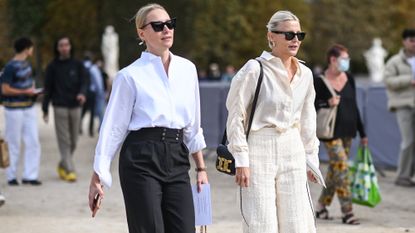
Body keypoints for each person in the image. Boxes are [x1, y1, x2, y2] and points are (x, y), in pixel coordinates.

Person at [88, 3, 208, 233]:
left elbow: (193, 125)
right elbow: (113, 128)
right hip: (140, 158)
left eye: (170, 24)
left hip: (177, 155)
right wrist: (97, 176)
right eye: (158, 25)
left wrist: (201, 169)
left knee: (184, 228)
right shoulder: (128, 76)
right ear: (142, 33)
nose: (167, 30)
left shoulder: (187, 69)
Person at [226, 10, 319, 233]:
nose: (295, 39)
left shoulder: (305, 74)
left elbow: (308, 119)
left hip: (293, 146)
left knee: (297, 222)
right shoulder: (254, 69)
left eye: (299, 35)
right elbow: (236, 115)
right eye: (288, 35)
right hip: (259, 146)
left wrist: (311, 157)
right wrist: (241, 158)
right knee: (261, 222)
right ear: (271, 36)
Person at [314, 44, 368, 225]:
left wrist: (363, 132)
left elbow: (354, 107)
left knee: (335, 171)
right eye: (344, 59)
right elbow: (311, 106)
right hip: (330, 133)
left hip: (349, 131)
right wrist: (327, 103)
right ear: (333, 60)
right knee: (342, 168)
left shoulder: (349, 78)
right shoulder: (319, 81)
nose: (347, 62)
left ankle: (321, 206)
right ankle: (348, 212)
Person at [42, 36, 88, 182]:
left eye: (66, 45)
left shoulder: (78, 65)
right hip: (59, 106)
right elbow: (47, 89)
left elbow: (85, 82)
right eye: (61, 45)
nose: (64, 47)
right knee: (64, 140)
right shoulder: (52, 67)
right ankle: (69, 169)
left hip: (75, 106)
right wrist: (45, 109)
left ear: (70, 46)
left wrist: (82, 93)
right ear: (57, 48)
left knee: (74, 140)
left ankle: (62, 164)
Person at [2, 37, 42, 186]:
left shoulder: (27, 65)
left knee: (33, 141)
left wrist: (32, 92)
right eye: (31, 48)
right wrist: (25, 91)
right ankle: (11, 175)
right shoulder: (11, 66)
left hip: (28, 108)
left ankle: (30, 175)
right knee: (13, 142)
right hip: (14, 110)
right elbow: (5, 89)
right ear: (27, 48)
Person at [384, 28, 415, 187]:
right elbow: (388, 81)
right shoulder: (394, 61)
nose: (414, 43)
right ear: (404, 41)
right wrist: (409, 80)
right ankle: (402, 176)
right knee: (408, 141)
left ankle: (410, 176)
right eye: (411, 40)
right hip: (403, 105)